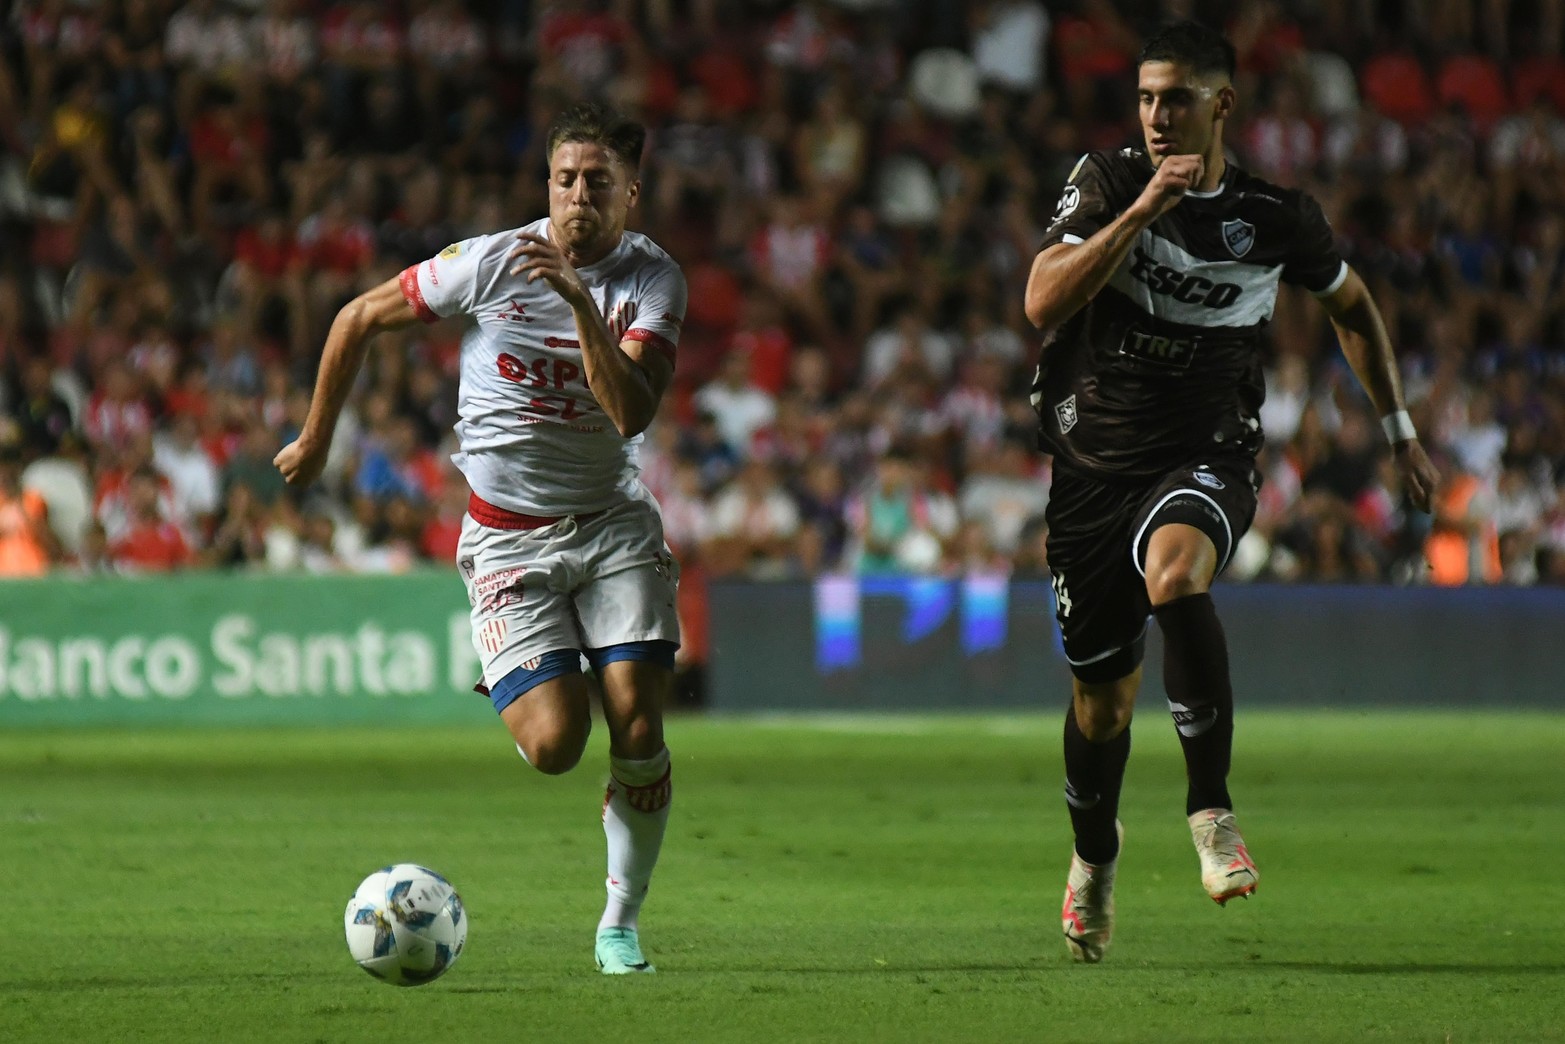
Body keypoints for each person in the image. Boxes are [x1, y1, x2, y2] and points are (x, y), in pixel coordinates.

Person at [1022, 22, 1439, 964]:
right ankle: (1093, 859)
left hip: (1207, 450)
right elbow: (1042, 303)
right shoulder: (1108, 181)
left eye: (1174, 97)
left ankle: (1209, 811)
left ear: (1221, 104)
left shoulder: (1274, 215)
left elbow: (1352, 307)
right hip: (1092, 463)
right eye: (1143, 97)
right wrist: (1138, 215)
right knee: (1101, 705)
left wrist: (1397, 428)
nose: (1155, 116)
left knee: (1178, 574)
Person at [275, 102, 686, 976]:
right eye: (565, 179)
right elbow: (355, 317)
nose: (578, 197)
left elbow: (629, 410)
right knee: (553, 748)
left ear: (630, 195)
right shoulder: (489, 262)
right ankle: (531, 670)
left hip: (612, 526)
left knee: (640, 726)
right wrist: (315, 440)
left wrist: (578, 301)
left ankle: (619, 923)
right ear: (548, 184)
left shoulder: (651, 283)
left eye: (598, 183)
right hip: (507, 541)